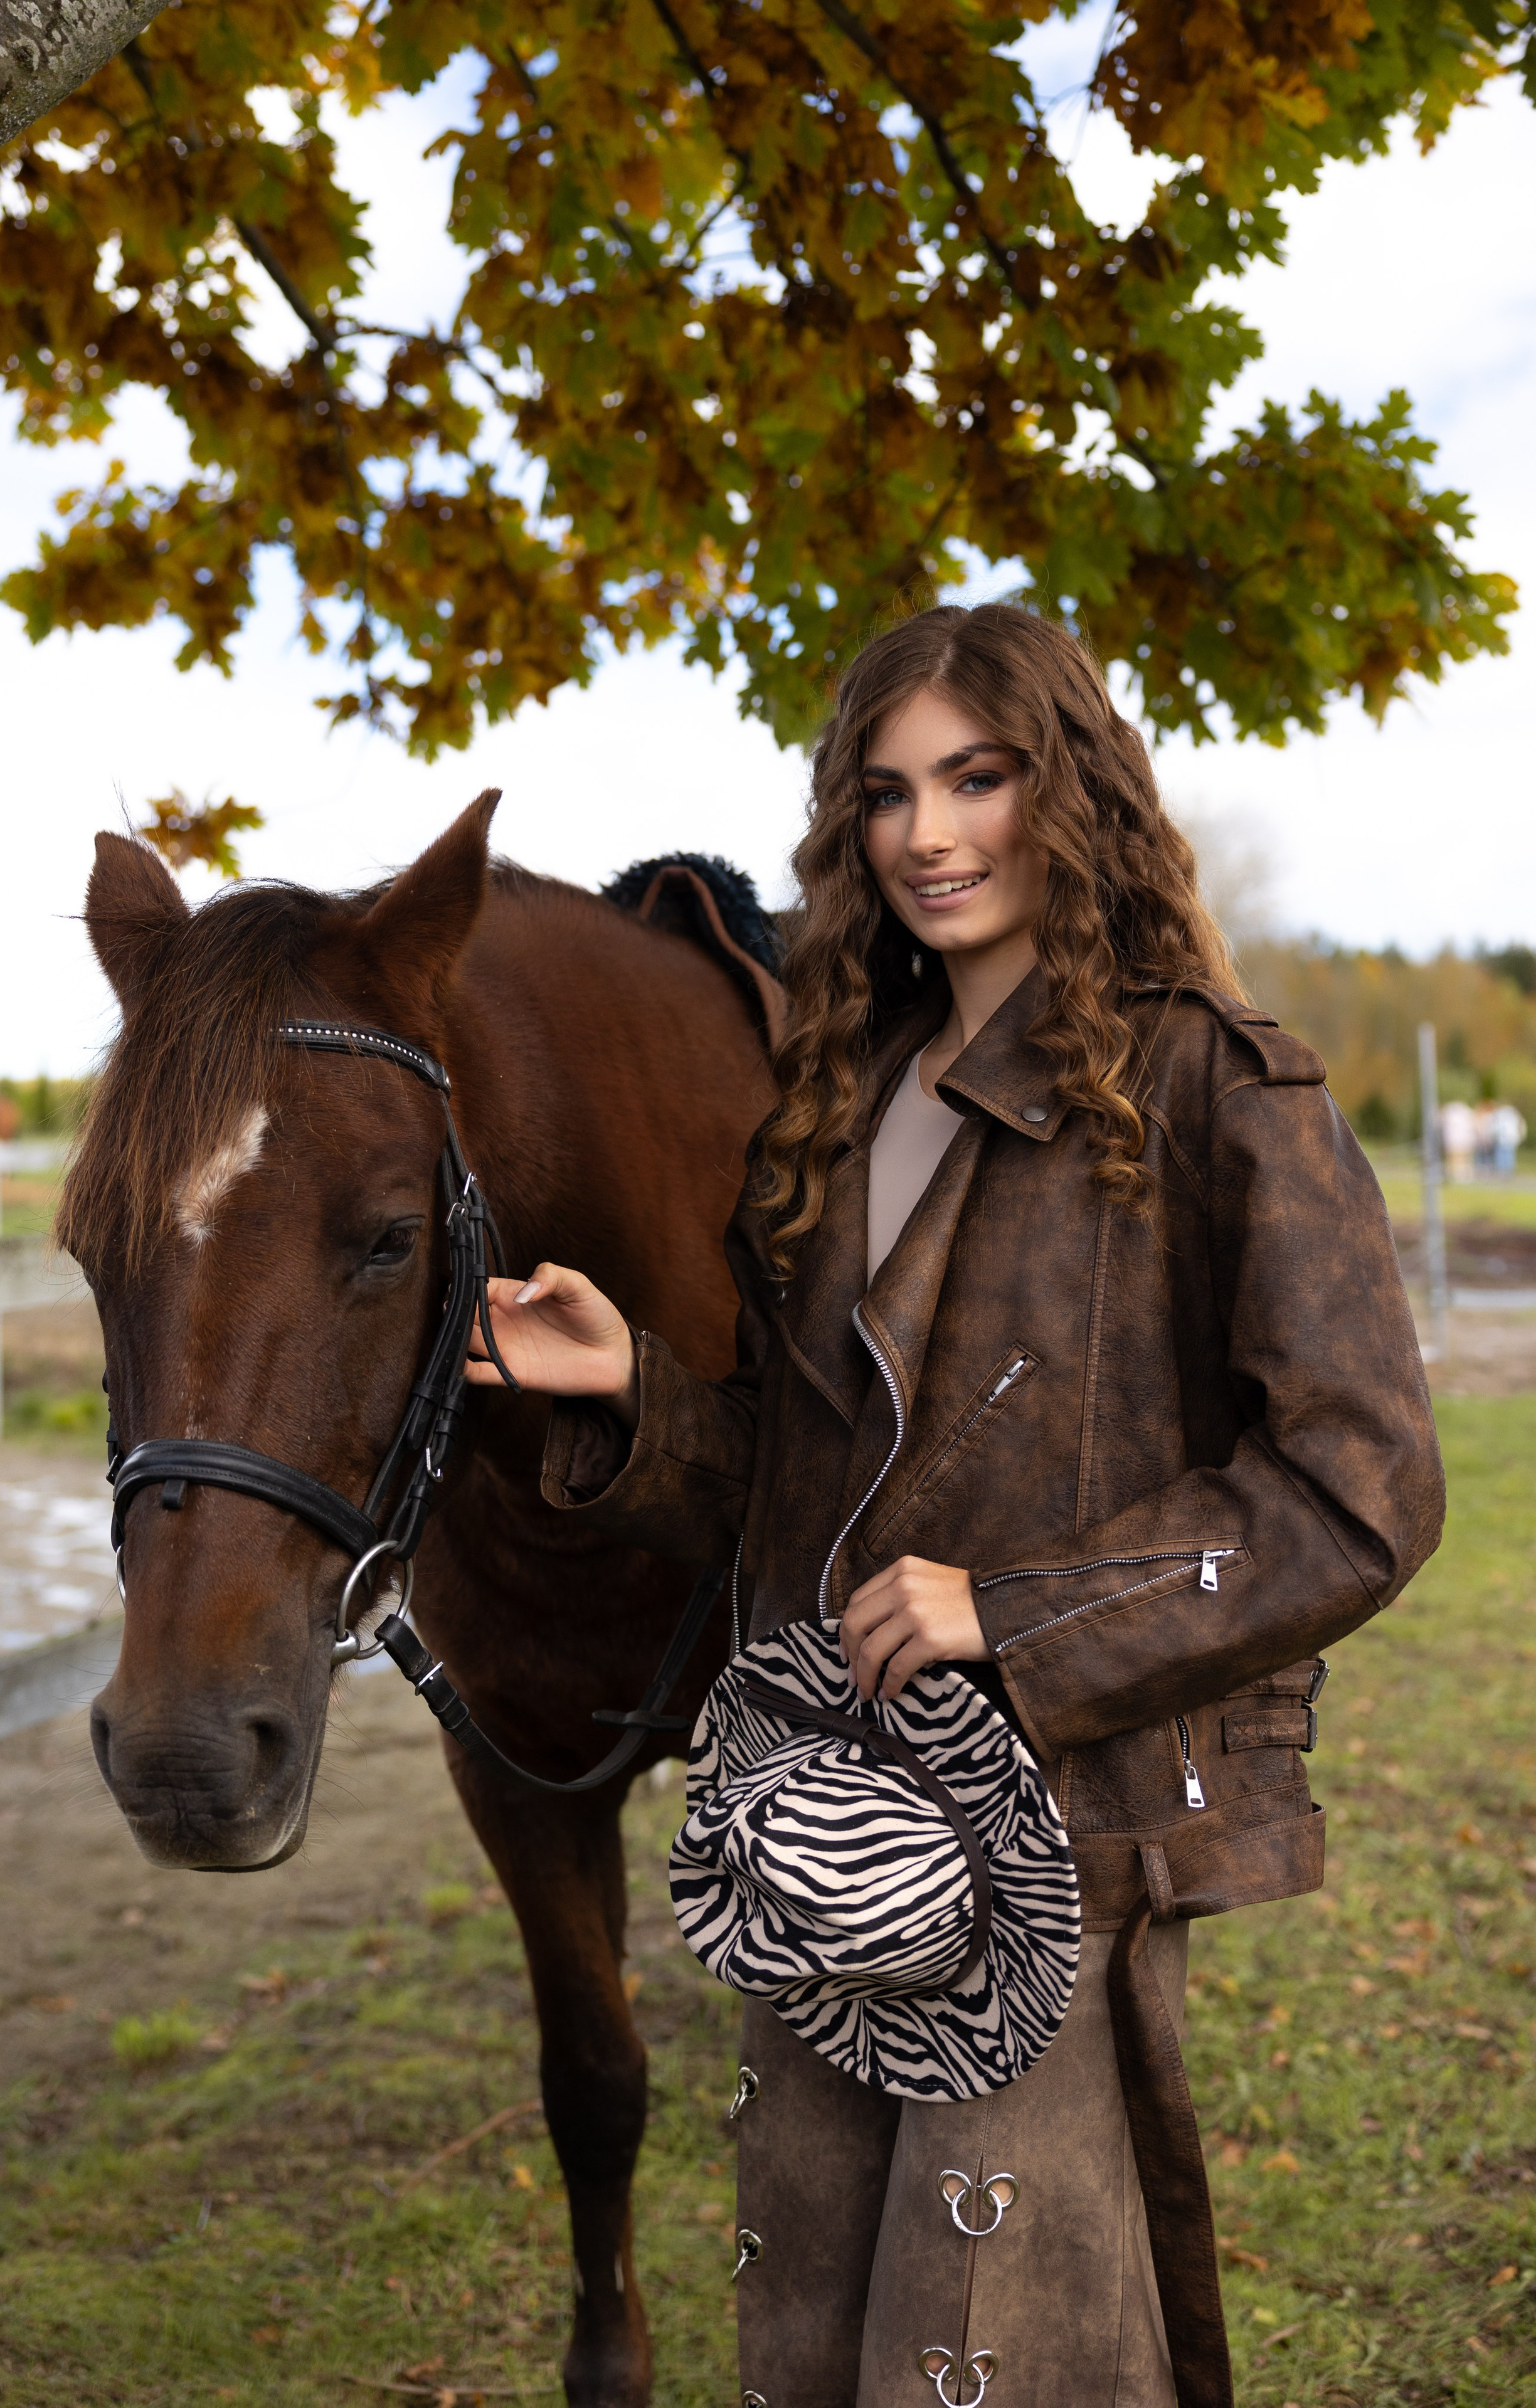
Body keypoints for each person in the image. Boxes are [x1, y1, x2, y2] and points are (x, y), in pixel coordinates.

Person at [464, 603, 1444, 2408]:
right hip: (825, 1832)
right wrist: (636, 1397)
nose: (930, 836)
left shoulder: (1219, 1082)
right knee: (817, 2331)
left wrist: (1019, 1609)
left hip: (1052, 1834)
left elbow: (1361, 1484)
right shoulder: (839, 1106)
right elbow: (796, 1489)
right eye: (890, 793)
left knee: (991, 2350)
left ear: (1068, 787)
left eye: (978, 779)